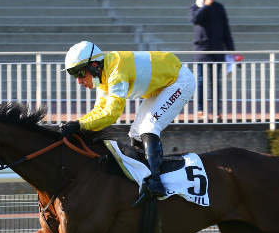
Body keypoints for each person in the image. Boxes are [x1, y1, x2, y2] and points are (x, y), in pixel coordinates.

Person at [60, 41, 196, 199]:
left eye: (81, 73)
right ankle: (142, 177)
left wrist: (79, 125)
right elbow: (99, 111)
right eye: (75, 76)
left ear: (94, 65)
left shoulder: (116, 71)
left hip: (179, 82)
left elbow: (112, 113)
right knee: (136, 133)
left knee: (148, 127)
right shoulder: (104, 75)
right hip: (162, 86)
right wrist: (76, 124)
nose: (79, 81)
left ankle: (156, 181)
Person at [189, 0, 235, 119]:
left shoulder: (219, 7)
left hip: (217, 50)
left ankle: (216, 110)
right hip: (201, 50)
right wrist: (206, 6)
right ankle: (201, 109)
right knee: (201, 81)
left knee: (215, 82)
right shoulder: (196, 7)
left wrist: (231, 50)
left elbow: (225, 29)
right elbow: (195, 19)